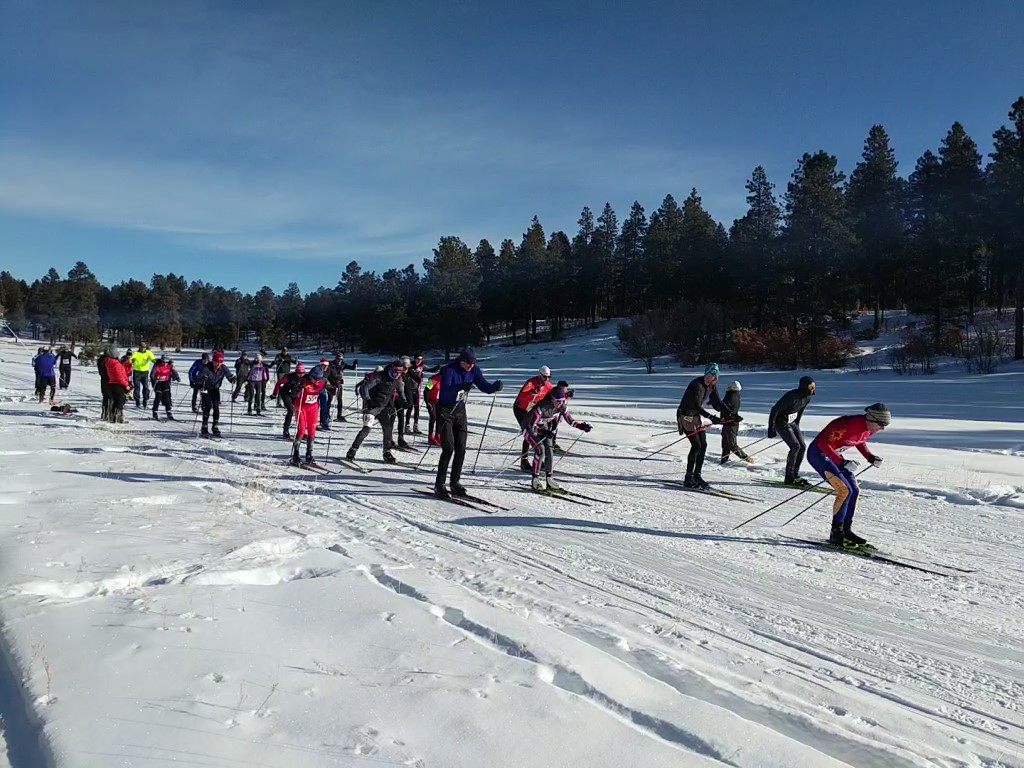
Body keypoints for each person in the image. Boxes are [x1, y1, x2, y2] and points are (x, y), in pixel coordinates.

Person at [807, 403, 889, 548]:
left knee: (855, 490)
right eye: (881, 424)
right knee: (844, 490)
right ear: (871, 419)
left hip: (835, 456)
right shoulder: (848, 424)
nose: (883, 428)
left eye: (885, 425)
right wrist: (841, 461)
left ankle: (846, 530)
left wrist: (870, 457)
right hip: (818, 454)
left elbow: (859, 440)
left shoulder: (869, 428)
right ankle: (836, 534)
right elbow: (822, 443)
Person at [433, 347, 502, 499]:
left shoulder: (474, 370)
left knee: (461, 448)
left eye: (472, 364)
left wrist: (494, 387)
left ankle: (455, 482)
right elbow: (445, 391)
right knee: (448, 448)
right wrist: (461, 387)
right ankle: (439, 484)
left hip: (459, 411)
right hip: (445, 410)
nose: (470, 366)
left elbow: (484, 385)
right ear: (461, 361)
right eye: (468, 364)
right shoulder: (449, 370)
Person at [524, 381, 591, 491]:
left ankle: (549, 479)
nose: (560, 404)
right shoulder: (541, 407)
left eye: (562, 401)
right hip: (529, 429)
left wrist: (582, 426)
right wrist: (542, 432)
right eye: (558, 401)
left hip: (544, 429)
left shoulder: (561, 406)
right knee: (540, 450)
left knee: (549, 452)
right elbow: (531, 426)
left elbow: (570, 420)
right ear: (552, 399)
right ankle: (535, 479)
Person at [676, 362, 725, 490]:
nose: (716, 378)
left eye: (717, 376)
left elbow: (717, 402)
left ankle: (697, 475)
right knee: (696, 445)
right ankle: (688, 478)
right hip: (686, 415)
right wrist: (711, 417)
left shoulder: (712, 386)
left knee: (703, 444)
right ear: (707, 375)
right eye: (713, 375)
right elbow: (696, 406)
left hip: (696, 416)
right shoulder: (697, 385)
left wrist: (730, 414)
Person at [346, 361, 407, 464]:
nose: (397, 374)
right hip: (371, 407)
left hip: (382, 408)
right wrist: (368, 400)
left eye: (400, 372)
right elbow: (364, 388)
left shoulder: (398, 380)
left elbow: (401, 392)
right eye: (396, 372)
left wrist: (404, 401)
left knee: (388, 429)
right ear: (391, 369)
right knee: (367, 429)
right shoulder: (380, 377)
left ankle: (387, 452)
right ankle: (353, 450)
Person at [768, 376, 816, 487]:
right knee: (795, 446)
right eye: (811, 386)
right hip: (781, 422)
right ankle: (789, 477)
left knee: (802, 446)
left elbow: (800, 410)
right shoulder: (791, 396)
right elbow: (775, 409)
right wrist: (771, 427)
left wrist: (797, 423)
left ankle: (795, 474)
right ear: (804, 386)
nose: (813, 389)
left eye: (814, 386)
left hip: (792, 422)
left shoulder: (807, 397)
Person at [514, 366, 554, 471]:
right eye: (544, 377)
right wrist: (531, 392)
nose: (546, 379)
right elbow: (521, 396)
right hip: (521, 409)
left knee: (539, 431)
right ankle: (524, 461)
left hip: (532, 410)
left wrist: (565, 395)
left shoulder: (548, 385)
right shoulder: (531, 383)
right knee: (528, 432)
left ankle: (541, 459)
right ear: (539, 375)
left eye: (549, 377)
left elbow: (555, 395)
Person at [193, 351, 236, 437]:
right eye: (217, 362)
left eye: (220, 362)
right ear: (213, 361)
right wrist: (202, 379)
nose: (219, 364)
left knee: (216, 407)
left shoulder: (223, 367)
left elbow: (229, 375)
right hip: (205, 389)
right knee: (207, 407)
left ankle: (215, 427)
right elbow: (197, 379)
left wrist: (232, 379)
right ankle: (204, 427)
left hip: (215, 389)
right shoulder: (206, 368)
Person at [291, 370, 326, 466]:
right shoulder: (303, 381)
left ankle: (309, 454)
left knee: (312, 430)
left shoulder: (321, 381)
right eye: (315, 379)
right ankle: (296, 454)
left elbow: (328, 387)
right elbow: (293, 393)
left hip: (313, 407)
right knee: (301, 430)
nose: (316, 381)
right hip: (301, 407)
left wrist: (336, 386)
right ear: (311, 376)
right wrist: (298, 389)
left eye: (318, 379)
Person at [271, 362, 306, 440]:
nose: (301, 374)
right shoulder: (289, 376)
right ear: (296, 372)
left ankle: (302, 431)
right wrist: (274, 394)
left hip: (295, 395)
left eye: (303, 372)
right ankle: (286, 431)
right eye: (299, 373)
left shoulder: (305, 377)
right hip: (286, 393)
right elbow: (279, 383)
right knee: (291, 410)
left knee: (301, 410)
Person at [720, 381, 752, 465]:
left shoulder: (731, 396)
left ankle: (745, 457)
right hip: (729, 422)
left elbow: (725, 408)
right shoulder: (734, 396)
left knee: (731, 444)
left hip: (730, 423)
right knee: (726, 443)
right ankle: (724, 459)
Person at [406, 354, 439, 434]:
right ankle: (407, 426)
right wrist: (417, 375)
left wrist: (437, 368)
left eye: (421, 359)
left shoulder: (421, 366)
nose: (419, 360)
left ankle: (415, 426)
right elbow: (411, 373)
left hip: (416, 389)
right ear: (414, 359)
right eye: (418, 359)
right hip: (408, 388)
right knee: (410, 406)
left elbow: (429, 369)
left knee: (417, 407)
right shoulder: (410, 366)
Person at [327, 352, 359, 423]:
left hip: (338, 384)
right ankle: (327, 415)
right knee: (329, 400)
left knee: (340, 400)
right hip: (331, 384)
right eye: (338, 359)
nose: (339, 361)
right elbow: (327, 373)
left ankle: (339, 415)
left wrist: (355, 364)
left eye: (341, 359)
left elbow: (352, 368)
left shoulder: (343, 364)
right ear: (335, 358)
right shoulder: (331, 364)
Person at [150, 354, 180, 420]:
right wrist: (154, 380)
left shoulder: (170, 365)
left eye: (166, 362)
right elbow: (152, 374)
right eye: (163, 362)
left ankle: (168, 411)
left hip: (165, 382)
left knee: (167, 397)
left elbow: (174, 372)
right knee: (158, 396)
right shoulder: (157, 365)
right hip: (157, 382)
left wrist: (177, 377)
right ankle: (154, 411)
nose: (165, 363)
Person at [104, 351, 131, 423]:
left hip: (112, 383)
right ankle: (117, 417)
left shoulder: (109, 363)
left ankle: (113, 417)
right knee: (120, 401)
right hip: (118, 384)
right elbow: (120, 376)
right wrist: (126, 385)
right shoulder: (116, 364)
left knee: (116, 401)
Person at [130, 344, 157, 408]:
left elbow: (153, 359)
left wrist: (156, 361)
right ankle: (137, 401)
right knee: (137, 387)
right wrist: (132, 360)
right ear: (139, 347)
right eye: (141, 347)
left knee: (146, 387)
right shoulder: (136, 353)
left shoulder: (148, 353)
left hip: (145, 372)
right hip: (137, 372)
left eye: (144, 347)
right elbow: (131, 360)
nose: (143, 349)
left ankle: (145, 399)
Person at [423, 370, 441, 444]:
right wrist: (427, 402)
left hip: (440, 401)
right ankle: (430, 436)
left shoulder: (447, 379)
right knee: (433, 417)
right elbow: (426, 391)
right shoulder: (433, 379)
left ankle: (438, 435)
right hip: (431, 401)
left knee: (440, 418)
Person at [97, 350, 111, 421]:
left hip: (104, 380)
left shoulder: (101, 360)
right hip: (108, 380)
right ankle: (107, 414)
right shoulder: (105, 360)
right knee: (109, 397)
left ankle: (105, 413)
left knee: (106, 397)